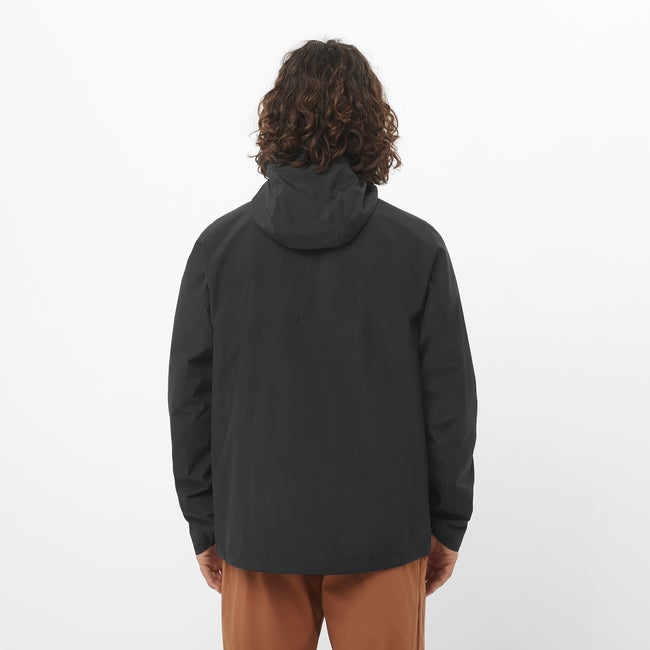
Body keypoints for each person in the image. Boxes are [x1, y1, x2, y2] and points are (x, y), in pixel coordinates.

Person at [168, 38, 478, 650]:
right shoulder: (418, 250)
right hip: (383, 536)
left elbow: (190, 401)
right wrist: (448, 522)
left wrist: (204, 522)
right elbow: (450, 405)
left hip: (257, 532)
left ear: (275, 120)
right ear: (372, 127)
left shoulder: (218, 251)